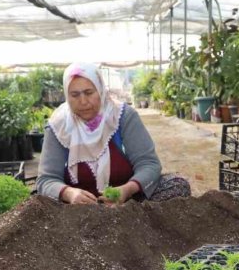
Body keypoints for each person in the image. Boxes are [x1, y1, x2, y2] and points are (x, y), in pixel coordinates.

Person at [36, 63, 191, 204]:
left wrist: (127, 190)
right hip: (75, 209)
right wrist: (69, 194)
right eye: (75, 95)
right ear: (66, 96)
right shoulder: (58, 125)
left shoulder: (122, 117)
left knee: (177, 185)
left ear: (101, 90)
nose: (83, 101)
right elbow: (46, 180)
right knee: (36, 204)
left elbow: (149, 164)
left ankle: (132, 219)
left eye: (89, 92)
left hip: (127, 203)